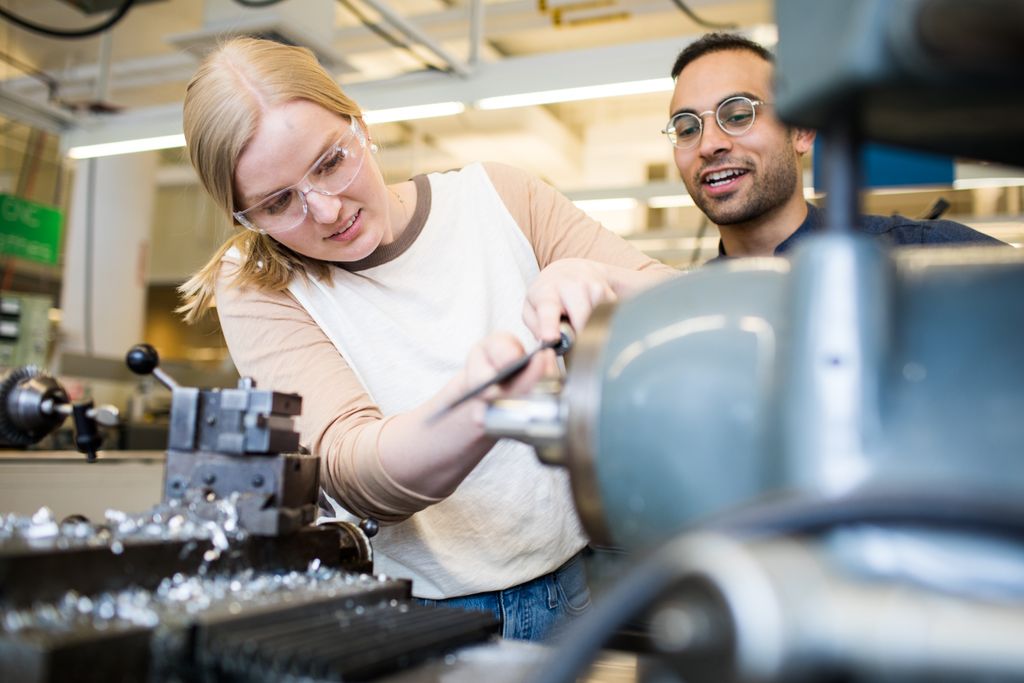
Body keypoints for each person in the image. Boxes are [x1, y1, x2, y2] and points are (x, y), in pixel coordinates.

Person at [177, 37, 676, 641]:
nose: (327, 210)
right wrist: (476, 406)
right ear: (244, 216)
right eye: (279, 202)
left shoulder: (500, 197)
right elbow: (348, 467)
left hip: (565, 584)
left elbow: (682, 305)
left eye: (331, 162)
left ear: (358, 125)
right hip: (409, 616)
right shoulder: (259, 284)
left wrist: (603, 279)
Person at [664, 33, 1003, 260]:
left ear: (802, 132)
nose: (708, 144)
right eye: (687, 127)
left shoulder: (925, 256)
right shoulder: (694, 312)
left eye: (738, 115)